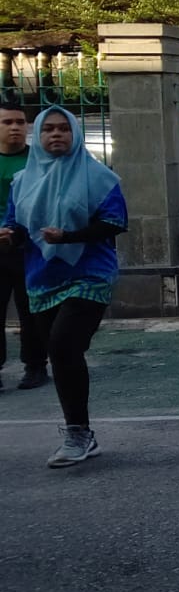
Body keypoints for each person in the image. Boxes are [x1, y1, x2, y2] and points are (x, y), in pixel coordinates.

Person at [0, 107, 127, 468]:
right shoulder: (22, 180)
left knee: (62, 344)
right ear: (38, 136)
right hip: (42, 277)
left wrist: (69, 236)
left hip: (90, 274)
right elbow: (17, 225)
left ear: (75, 134)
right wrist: (9, 236)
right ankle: (81, 431)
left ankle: (77, 435)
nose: (56, 135)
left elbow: (114, 223)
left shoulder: (100, 177)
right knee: (61, 354)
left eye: (63, 129)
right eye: (48, 129)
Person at [0, 99, 46, 392]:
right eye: (7, 122)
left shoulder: (38, 161)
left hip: (30, 247)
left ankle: (35, 366)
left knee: (32, 311)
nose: (15, 127)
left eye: (20, 122)